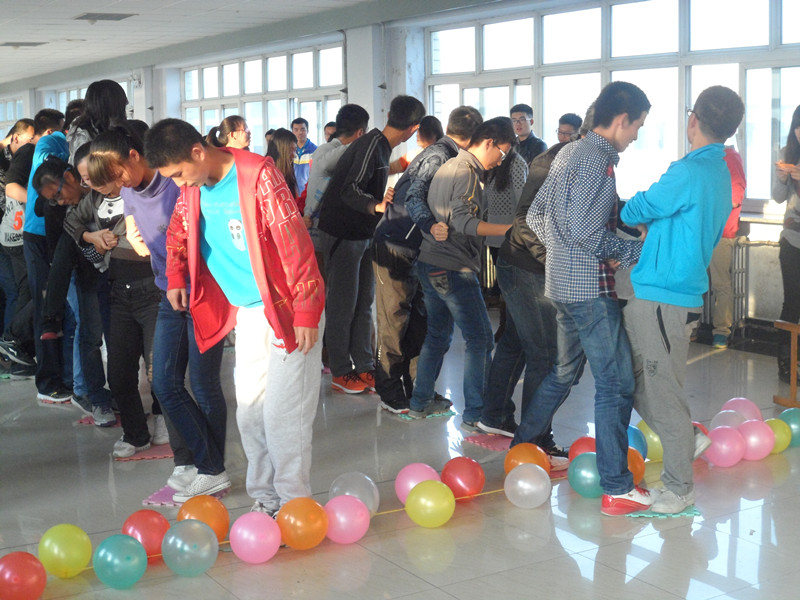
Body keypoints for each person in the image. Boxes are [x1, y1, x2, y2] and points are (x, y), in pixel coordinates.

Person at [145, 118, 324, 515]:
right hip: (250, 312)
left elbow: (294, 243)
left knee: (283, 417)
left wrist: (307, 309)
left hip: (288, 308)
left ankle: (294, 506)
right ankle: (267, 499)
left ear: (197, 152)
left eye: (179, 174)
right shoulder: (192, 189)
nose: (178, 184)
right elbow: (178, 231)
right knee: (251, 413)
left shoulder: (258, 175)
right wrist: (176, 275)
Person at [513, 81, 651, 516]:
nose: (636, 135)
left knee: (564, 372)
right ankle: (616, 485)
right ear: (622, 119)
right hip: (589, 291)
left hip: (562, 284)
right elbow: (586, 232)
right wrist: (637, 250)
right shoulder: (595, 159)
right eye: (638, 126)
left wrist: (562, 252)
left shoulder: (571, 151)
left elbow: (538, 215)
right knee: (616, 383)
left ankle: (522, 451)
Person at [620, 85, 745, 514]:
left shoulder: (688, 172)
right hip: (668, 292)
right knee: (632, 379)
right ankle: (687, 439)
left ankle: (679, 488)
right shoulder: (718, 170)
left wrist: (638, 213)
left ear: (693, 120)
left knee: (661, 389)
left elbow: (636, 209)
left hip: (665, 296)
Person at [87, 123, 222, 498]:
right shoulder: (130, 190)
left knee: (204, 386)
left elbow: (193, 232)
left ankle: (211, 467)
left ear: (134, 156)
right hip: (168, 291)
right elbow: (136, 225)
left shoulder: (175, 182)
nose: (119, 186)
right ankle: (190, 462)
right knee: (163, 383)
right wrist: (137, 237)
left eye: (118, 176)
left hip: (199, 291)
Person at [372, 106, 483, 413]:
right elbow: (413, 197)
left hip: (420, 250)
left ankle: (416, 388)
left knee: (421, 324)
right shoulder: (439, 156)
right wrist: (431, 225)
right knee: (393, 321)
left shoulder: (451, 156)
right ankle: (389, 391)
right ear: (475, 136)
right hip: (395, 244)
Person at [408, 117, 515, 423]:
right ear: (489, 143)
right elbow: (464, 222)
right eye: (502, 154)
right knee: (481, 339)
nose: (500, 162)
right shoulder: (467, 171)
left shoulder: (450, 165)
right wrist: (510, 230)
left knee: (438, 336)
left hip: (430, 262)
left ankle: (420, 402)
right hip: (453, 267)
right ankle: (476, 414)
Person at [317, 95, 425, 394]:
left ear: (388, 114)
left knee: (364, 302)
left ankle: (364, 364)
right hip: (343, 233)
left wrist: (380, 200)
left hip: (364, 233)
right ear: (414, 129)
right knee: (343, 304)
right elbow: (349, 189)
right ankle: (341, 370)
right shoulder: (370, 145)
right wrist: (376, 205)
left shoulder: (380, 147)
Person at [5, 108, 72, 403]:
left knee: (51, 304)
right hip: (38, 234)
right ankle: (47, 382)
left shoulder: (42, 145)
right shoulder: (47, 143)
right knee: (45, 306)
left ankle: (58, 376)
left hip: (46, 232)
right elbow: (13, 187)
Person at [304, 104, 370, 260]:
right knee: (325, 273)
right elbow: (326, 165)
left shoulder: (339, 150)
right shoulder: (327, 150)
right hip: (317, 226)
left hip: (331, 224)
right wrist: (359, 144)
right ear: (360, 133)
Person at [0, 119, 35, 377]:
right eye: (30, 140)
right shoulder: (19, 155)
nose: (32, 145)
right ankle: (11, 346)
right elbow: (11, 189)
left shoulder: (15, 156)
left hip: (9, 234)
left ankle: (13, 353)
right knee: (18, 292)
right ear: (15, 138)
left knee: (17, 292)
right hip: (11, 236)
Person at [708, 147, 745, 349]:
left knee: (720, 283)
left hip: (721, 232)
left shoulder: (729, 157)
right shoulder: (707, 156)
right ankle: (691, 325)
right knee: (695, 280)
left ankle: (722, 331)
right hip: (703, 230)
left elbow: (735, 197)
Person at [774, 104, 800, 383]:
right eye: (797, 127)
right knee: (792, 302)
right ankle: (786, 362)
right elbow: (778, 197)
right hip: (792, 238)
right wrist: (782, 179)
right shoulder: (786, 153)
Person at [266, 128, 300, 202]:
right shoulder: (266, 175)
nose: (294, 155)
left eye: (295, 150)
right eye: (291, 150)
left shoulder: (289, 173)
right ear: (281, 150)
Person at [291, 117, 316, 196]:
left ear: (307, 130)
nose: (299, 133)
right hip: (293, 194)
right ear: (292, 132)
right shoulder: (289, 151)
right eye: (296, 130)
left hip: (309, 194)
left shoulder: (315, 151)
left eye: (302, 129)